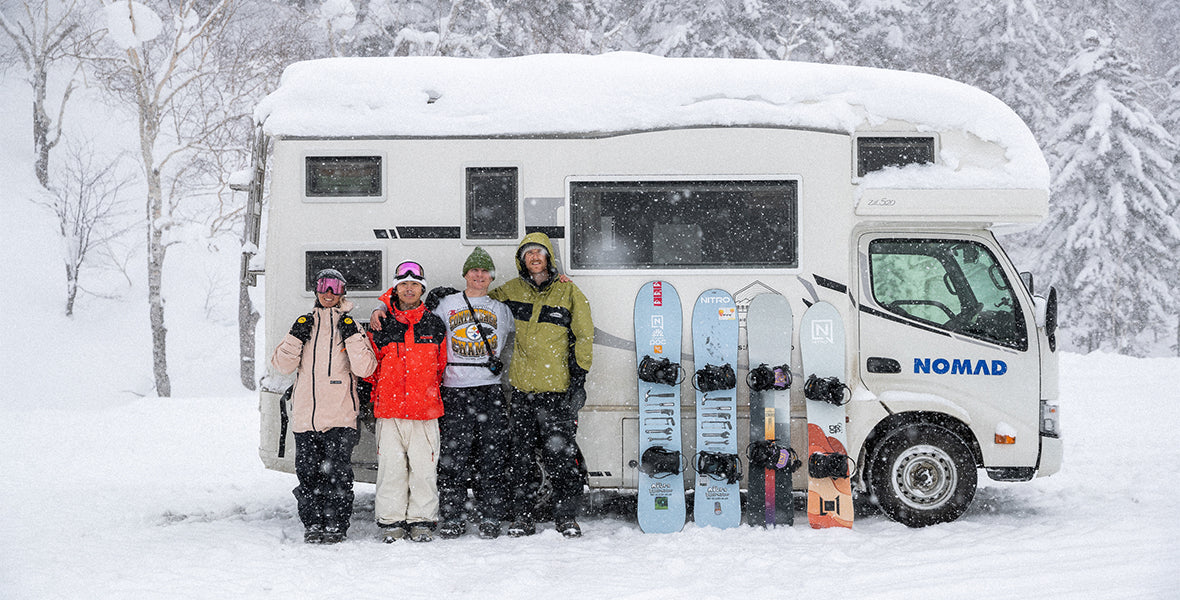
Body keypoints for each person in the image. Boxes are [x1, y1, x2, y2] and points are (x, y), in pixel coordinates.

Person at [489, 232, 593, 539]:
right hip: (522, 393)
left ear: (548, 257)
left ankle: (567, 518)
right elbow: (480, 302)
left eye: (539, 252)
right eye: (528, 253)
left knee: (561, 459)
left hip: (557, 393)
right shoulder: (511, 289)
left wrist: (579, 376)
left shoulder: (568, 291)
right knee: (520, 459)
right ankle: (522, 517)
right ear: (522, 260)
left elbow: (584, 335)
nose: (534, 257)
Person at [270, 268, 377, 544]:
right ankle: (314, 523)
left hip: (341, 418)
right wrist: (296, 335)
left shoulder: (351, 325)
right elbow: (282, 366)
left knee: (338, 476)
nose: (329, 293)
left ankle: (336, 525)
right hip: (307, 418)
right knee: (308, 475)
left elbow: (366, 368)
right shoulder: (304, 322)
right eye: (324, 286)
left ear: (343, 292)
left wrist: (352, 334)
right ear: (316, 290)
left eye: (335, 287)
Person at [431, 247, 515, 539]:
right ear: (465, 274)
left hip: (489, 389)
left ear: (491, 276)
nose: (479, 275)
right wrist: (381, 307)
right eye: (474, 270)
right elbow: (414, 317)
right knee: (453, 457)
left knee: (491, 458)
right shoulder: (446, 305)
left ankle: (490, 515)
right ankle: (452, 516)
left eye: (484, 271)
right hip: (454, 390)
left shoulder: (501, 308)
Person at [367, 260, 448, 543]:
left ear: (422, 289)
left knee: (424, 470)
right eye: (404, 284)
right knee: (391, 469)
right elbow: (370, 367)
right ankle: (391, 522)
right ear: (396, 287)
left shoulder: (435, 324)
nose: (409, 289)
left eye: (415, 284)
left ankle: (422, 521)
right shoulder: (381, 323)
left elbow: (441, 366)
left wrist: (424, 392)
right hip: (389, 412)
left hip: (425, 412)